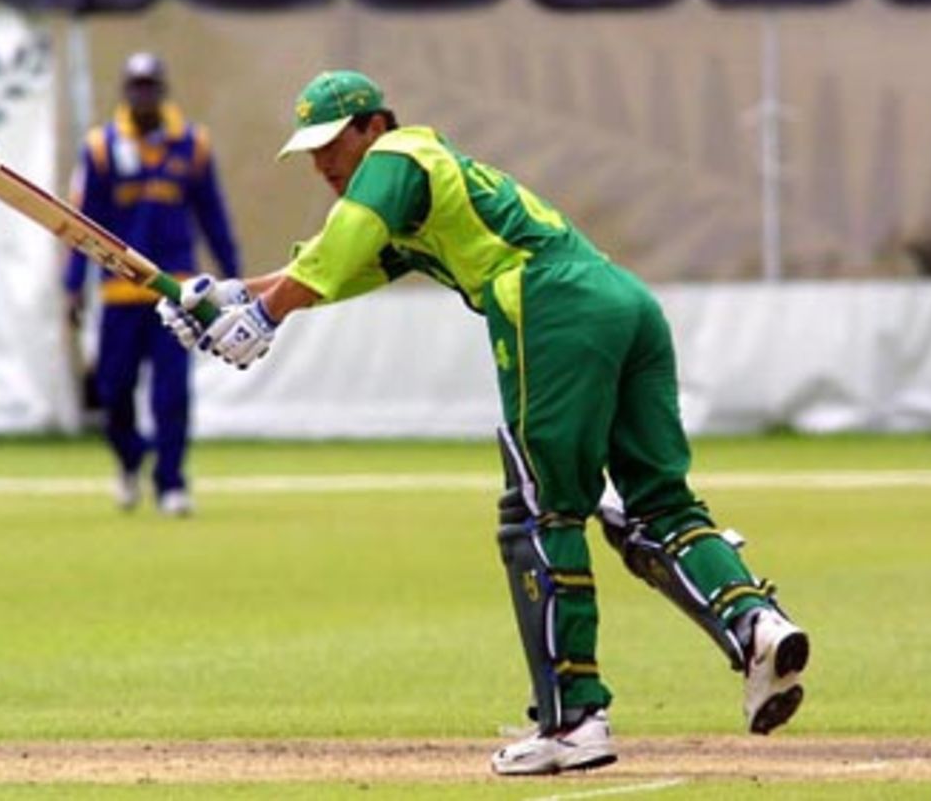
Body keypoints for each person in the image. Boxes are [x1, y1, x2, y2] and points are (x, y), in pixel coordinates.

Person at [156, 70, 810, 773]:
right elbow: (331, 271)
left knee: (541, 512)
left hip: (548, 300)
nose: (322, 163)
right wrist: (222, 296)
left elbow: (340, 243)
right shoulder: (418, 195)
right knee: (654, 507)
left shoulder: (397, 159)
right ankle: (756, 626)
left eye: (332, 143)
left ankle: (575, 721)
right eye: (310, 150)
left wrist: (262, 316)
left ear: (374, 125)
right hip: (622, 300)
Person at [64, 52, 241, 517]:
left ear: (162, 90)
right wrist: (72, 285)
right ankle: (129, 460)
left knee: (172, 393)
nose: (143, 95)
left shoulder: (191, 144)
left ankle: (171, 484)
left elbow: (212, 216)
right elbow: (82, 223)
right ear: (126, 90)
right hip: (119, 294)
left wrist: (235, 278)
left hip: (175, 290)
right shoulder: (101, 148)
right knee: (113, 390)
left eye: (150, 86)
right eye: (136, 86)